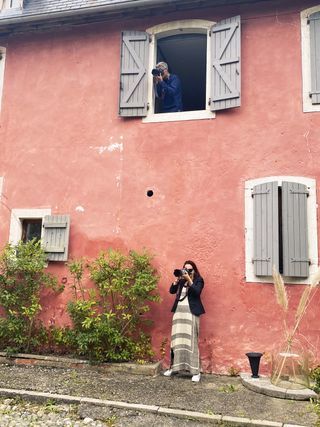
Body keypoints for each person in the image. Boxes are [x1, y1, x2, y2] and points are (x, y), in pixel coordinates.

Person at [164, 260, 205, 382]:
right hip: (179, 314)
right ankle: (174, 368)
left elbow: (197, 292)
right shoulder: (181, 281)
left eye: (190, 269)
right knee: (176, 341)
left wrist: (189, 279)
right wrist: (177, 280)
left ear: (194, 270)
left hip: (191, 314)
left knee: (191, 342)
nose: (187, 271)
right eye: (185, 269)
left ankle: (196, 372)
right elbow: (171, 291)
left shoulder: (199, 280)